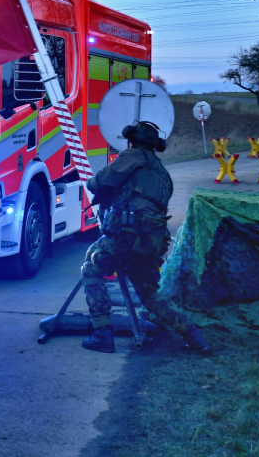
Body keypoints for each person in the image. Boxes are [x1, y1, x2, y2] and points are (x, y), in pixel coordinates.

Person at [79, 121, 208, 353]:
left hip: (128, 232)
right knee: (148, 294)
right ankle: (193, 334)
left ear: (132, 141)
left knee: (92, 269)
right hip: (153, 240)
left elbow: (98, 182)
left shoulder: (133, 156)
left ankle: (102, 333)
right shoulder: (162, 172)